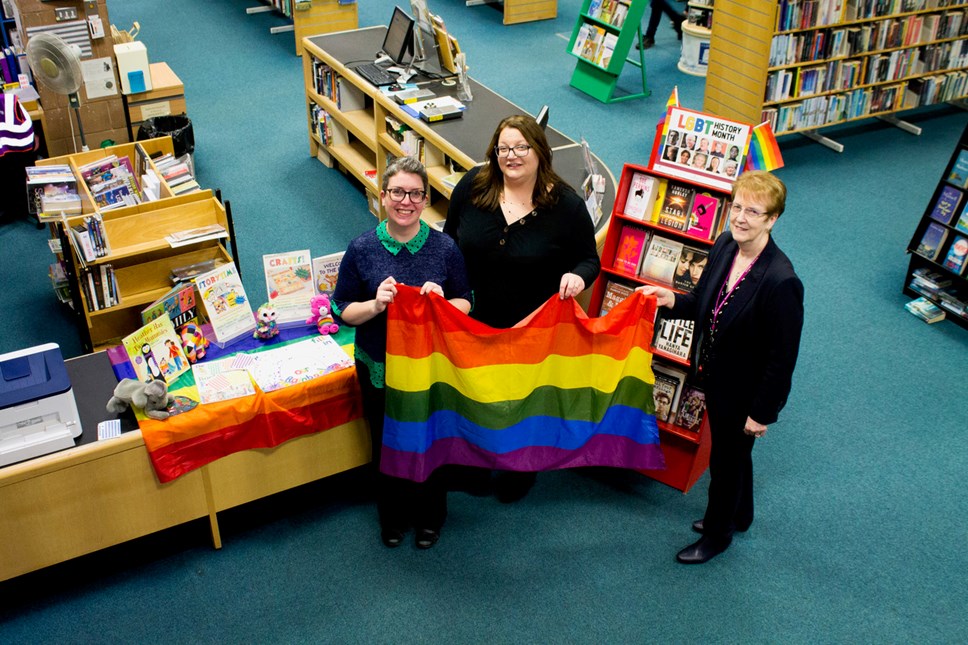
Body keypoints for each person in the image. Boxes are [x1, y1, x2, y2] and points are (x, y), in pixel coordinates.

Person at [637, 170, 804, 564]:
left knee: (726, 460)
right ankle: (740, 515)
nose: (741, 217)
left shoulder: (781, 282)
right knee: (735, 453)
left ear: (772, 219)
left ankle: (717, 534)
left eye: (754, 211)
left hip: (745, 390)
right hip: (716, 374)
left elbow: (783, 357)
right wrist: (670, 298)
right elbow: (702, 302)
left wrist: (762, 413)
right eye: (737, 206)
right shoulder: (726, 244)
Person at [444, 114, 600, 503]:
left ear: (539, 151)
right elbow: (448, 241)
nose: (511, 156)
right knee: (475, 395)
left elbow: (588, 259)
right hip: (473, 319)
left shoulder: (565, 204)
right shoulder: (473, 186)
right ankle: (475, 462)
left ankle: (520, 468)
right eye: (503, 149)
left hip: (532, 328)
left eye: (520, 148)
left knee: (523, 403)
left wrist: (579, 278)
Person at [333, 156, 472, 550]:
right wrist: (375, 305)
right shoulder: (361, 248)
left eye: (415, 193)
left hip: (430, 367)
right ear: (383, 196)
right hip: (379, 365)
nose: (405, 201)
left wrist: (442, 302)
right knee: (385, 441)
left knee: (432, 439)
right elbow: (342, 309)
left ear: (426, 199)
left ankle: (431, 517)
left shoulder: (445, 248)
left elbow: (467, 301)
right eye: (397, 192)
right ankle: (392, 518)